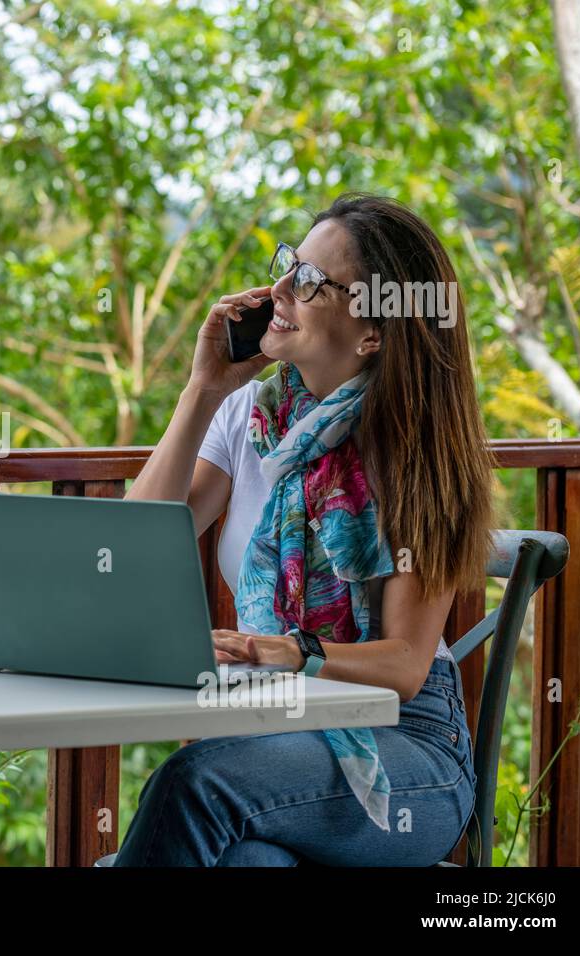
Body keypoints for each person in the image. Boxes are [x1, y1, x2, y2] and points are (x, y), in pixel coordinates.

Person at [117, 193, 487, 866]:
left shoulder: (420, 451)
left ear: (374, 331)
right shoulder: (248, 414)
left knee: (194, 784)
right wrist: (202, 390)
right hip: (276, 730)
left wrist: (291, 651)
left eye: (312, 281)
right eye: (290, 263)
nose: (280, 288)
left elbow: (404, 666)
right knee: (248, 864)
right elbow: (130, 552)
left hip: (408, 750)